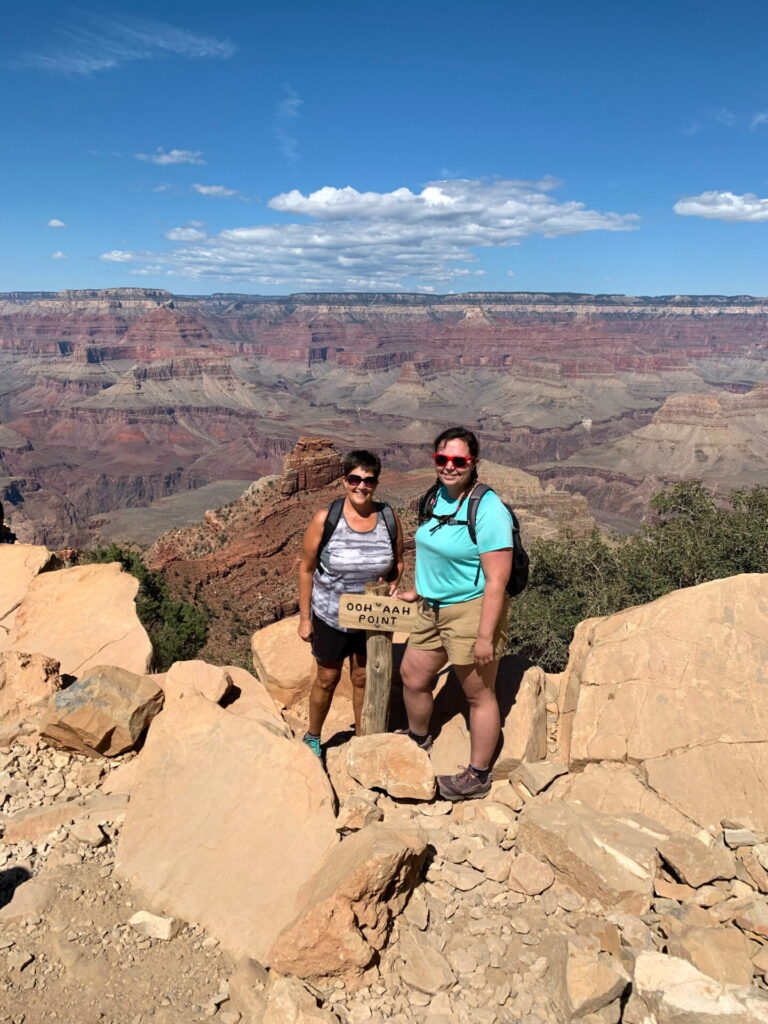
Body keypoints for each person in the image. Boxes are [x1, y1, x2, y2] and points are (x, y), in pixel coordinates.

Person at [395, 427, 513, 800]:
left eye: (458, 461)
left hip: (470, 610)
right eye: (442, 459)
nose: (449, 467)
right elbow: (430, 549)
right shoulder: (434, 497)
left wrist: (484, 636)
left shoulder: (488, 508)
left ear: (472, 463)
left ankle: (477, 775)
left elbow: (496, 580)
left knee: (478, 694)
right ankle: (418, 738)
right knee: (412, 676)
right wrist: (418, 590)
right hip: (432, 607)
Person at [297, 450, 403, 755]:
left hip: (371, 617)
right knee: (327, 678)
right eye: (355, 479)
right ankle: (313, 736)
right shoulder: (326, 518)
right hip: (330, 616)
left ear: (376, 483)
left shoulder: (387, 518)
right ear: (344, 480)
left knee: (362, 677)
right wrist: (305, 619)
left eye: (368, 480)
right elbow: (306, 569)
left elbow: (399, 560)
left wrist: (393, 586)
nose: (361, 486)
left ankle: (362, 739)